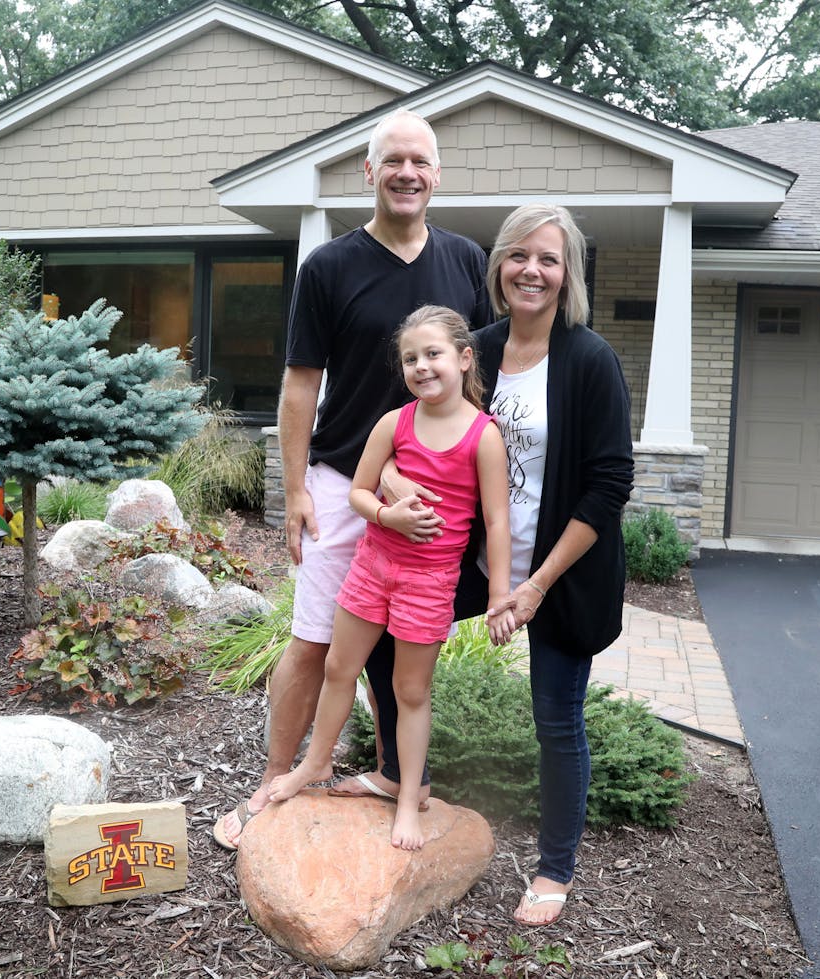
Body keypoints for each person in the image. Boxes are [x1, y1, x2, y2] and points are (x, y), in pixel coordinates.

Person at [214, 108, 493, 850]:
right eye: (393, 160)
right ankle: (277, 782)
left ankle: (395, 776)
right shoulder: (329, 267)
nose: (408, 173)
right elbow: (300, 388)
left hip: (438, 496)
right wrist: (298, 489)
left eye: (422, 162)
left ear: (438, 175)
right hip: (346, 484)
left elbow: (481, 380)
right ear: (369, 173)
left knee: (401, 647)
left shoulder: (467, 260)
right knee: (314, 641)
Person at [265, 306, 512, 849]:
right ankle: (313, 764)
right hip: (372, 567)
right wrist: (385, 515)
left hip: (429, 581)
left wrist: (499, 594)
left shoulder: (483, 436)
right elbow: (359, 489)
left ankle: (407, 801)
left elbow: (496, 521)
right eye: (410, 359)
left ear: (465, 358)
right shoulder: (394, 422)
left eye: (433, 354)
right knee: (338, 666)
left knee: (410, 691)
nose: (422, 367)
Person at [463, 203, 633, 925]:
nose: (532, 269)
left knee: (556, 721)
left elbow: (610, 484)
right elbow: (427, 435)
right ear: (500, 265)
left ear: (568, 276)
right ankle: (397, 781)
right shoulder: (474, 349)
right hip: (476, 559)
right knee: (383, 638)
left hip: (560, 574)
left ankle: (555, 867)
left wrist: (533, 585)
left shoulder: (590, 358)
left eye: (549, 258)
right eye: (519, 255)